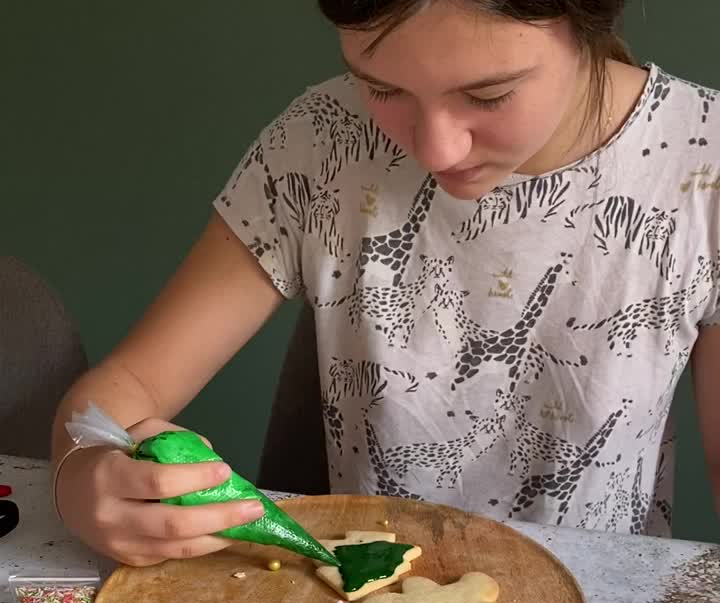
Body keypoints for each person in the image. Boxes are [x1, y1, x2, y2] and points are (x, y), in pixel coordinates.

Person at [52, 0, 720, 566]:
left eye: (489, 95)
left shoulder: (704, 166)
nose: (436, 151)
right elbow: (124, 390)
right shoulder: (321, 144)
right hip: (358, 599)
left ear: (587, 24)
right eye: (382, 88)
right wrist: (81, 471)